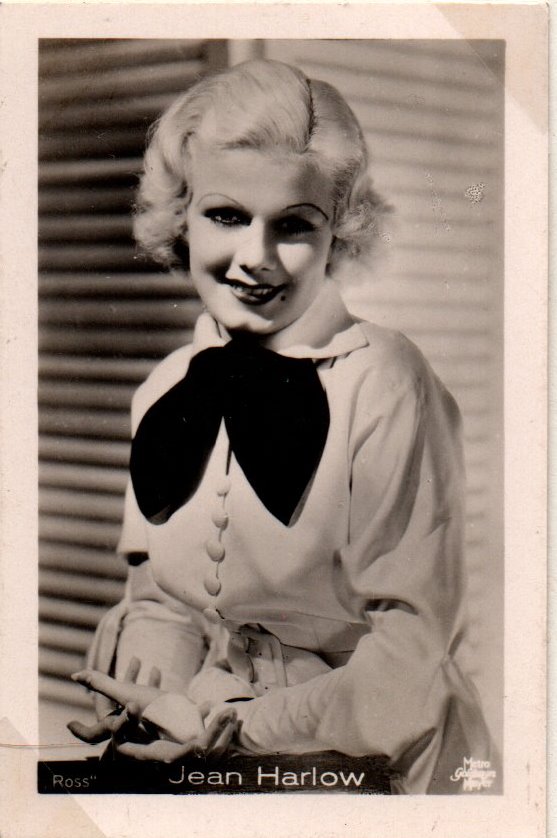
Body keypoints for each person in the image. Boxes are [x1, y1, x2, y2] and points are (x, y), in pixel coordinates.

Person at [68, 58, 495, 793]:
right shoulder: (165, 387)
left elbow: (409, 656)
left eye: (293, 225)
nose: (255, 259)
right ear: (181, 215)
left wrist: (238, 730)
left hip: (389, 762)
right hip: (212, 741)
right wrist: (149, 695)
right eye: (226, 215)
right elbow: (164, 603)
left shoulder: (387, 381)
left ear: (339, 233)